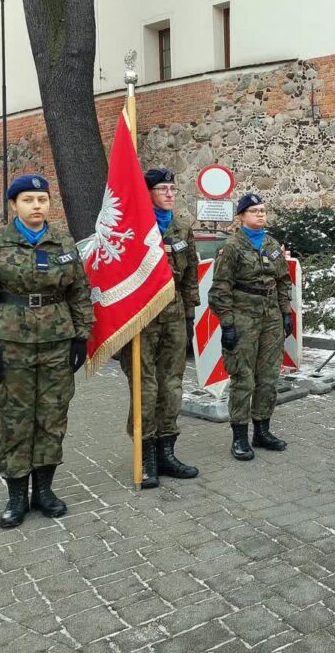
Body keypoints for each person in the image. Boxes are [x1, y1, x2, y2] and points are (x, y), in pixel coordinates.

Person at [0, 174, 93, 528]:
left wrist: (81, 336)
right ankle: (17, 496)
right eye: (29, 200)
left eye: (43, 199)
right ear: (13, 205)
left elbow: (79, 293)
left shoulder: (63, 243)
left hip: (56, 344)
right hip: (10, 347)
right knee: (14, 421)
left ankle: (44, 492)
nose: (37, 206)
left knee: (51, 417)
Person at [118, 168, 200, 488]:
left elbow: (191, 271)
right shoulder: (133, 227)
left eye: (172, 188)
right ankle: (146, 454)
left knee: (172, 385)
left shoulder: (181, 227)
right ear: (147, 193)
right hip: (142, 315)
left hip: (174, 312)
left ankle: (167, 451)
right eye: (162, 189)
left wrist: (190, 314)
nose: (169, 193)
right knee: (145, 387)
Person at [208, 193, 294, 460]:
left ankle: (262, 430)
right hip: (243, 317)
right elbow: (220, 288)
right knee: (243, 378)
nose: (260, 215)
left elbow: (282, 280)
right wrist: (227, 323)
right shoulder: (232, 247)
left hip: (270, 318)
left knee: (268, 377)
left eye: (263, 210)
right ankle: (239, 437)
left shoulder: (271, 243)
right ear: (241, 216)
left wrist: (285, 312)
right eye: (254, 211)